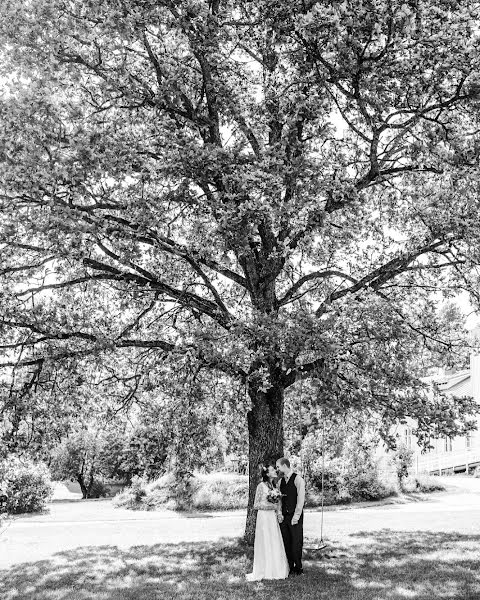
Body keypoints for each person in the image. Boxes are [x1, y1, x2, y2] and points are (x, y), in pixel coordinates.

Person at [246, 464, 290, 581]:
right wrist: (271, 507)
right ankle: (265, 570)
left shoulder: (274, 485)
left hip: (272, 517)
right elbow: (256, 505)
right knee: (265, 540)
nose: (275, 470)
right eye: (272, 470)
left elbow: (277, 504)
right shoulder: (261, 486)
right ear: (267, 473)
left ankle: (276, 568)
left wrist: (278, 511)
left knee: (274, 539)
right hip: (264, 517)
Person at [275, 457, 306, 576]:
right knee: (286, 542)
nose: (277, 469)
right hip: (284, 517)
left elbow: (300, 500)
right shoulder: (280, 481)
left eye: (278, 466)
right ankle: (289, 566)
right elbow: (279, 501)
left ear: (284, 466)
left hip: (295, 516)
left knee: (296, 542)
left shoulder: (298, 480)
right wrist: (279, 513)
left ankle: (299, 567)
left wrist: (296, 516)